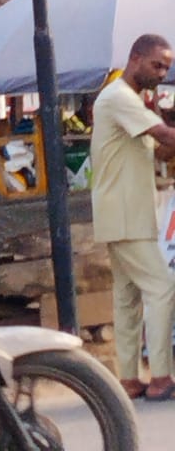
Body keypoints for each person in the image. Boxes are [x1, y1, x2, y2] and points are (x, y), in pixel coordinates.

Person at [91, 33, 175, 402]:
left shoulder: (132, 102)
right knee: (161, 288)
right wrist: (165, 128)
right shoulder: (119, 97)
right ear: (135, 58)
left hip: (125, 212)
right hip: (126, 213)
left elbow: (159, 148)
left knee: (128, 298)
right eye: (157, 65)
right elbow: (163, 136)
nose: (161, 74)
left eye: (166, 68)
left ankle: (128, 377)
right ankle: (160, 377)